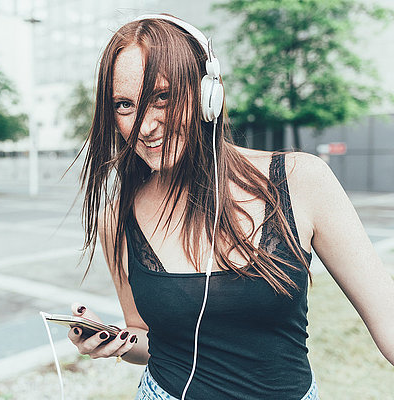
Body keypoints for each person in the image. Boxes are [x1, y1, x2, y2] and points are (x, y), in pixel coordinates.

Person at [67, 13, 394, 400]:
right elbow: (144, 334)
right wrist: (116, 341)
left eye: (163, 97)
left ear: (210, 94)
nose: (145, 125)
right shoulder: (116, 217)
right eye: (124, 105)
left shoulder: (301, 181)